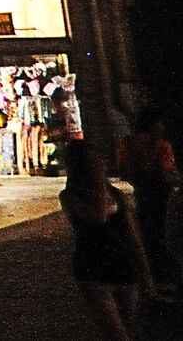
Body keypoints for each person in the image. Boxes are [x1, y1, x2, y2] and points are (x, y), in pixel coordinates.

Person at [65, 141, 155, 341]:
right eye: (93, 161)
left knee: (127, 330)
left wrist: (145, 271)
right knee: (118, 336)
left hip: (123, 267)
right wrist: (98, 179)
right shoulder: (70, 196)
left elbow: (133, 235)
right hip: (93, 271)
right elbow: (99, 216)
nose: (100, 163)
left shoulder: (116, 194)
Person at [116, 110, 178, 291]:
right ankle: (168, 277)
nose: (163, 127)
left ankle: (153, 275)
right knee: (166, 233)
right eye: (161, 123)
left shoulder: (127, 144)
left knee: (148, 235)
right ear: (154, 124)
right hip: (162, 194)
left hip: (142, 194)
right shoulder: (160, 145)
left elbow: (123, 169)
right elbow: (166, 171)